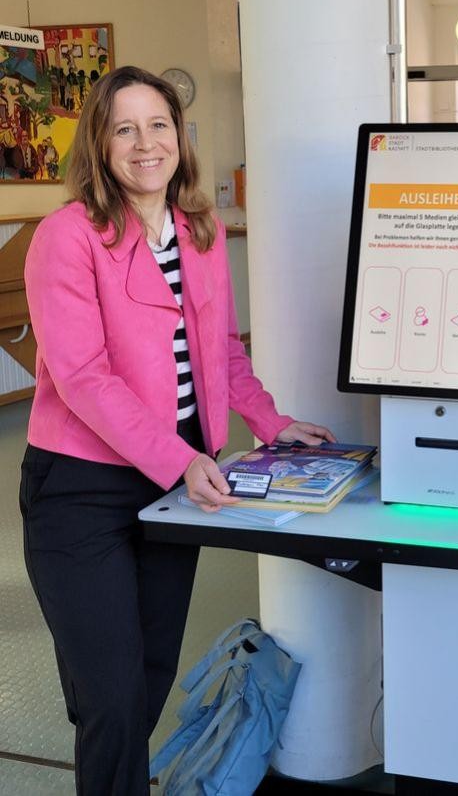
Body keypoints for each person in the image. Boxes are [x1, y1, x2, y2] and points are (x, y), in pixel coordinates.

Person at [20, 65, 334, 796]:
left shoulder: (199, 231)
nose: (144, 143)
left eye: (158, 124)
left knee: (151, 672)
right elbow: (84, 377)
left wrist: (272, 421)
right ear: (98, 143)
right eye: (123, 128)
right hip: (81, 489)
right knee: (112, 697)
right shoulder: (65, 238)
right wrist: (181, 461)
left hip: (176, 479)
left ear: (180, 138)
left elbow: (219, 347)